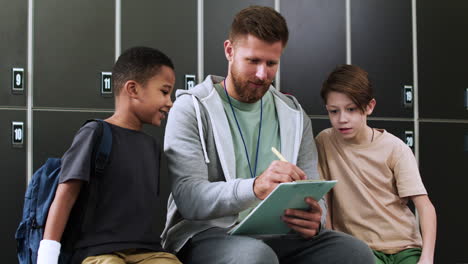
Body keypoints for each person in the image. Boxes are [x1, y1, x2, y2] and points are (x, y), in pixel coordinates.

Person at [161, 6, 374, 264]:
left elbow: (311, 185)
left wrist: (315, 217)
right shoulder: (191, 108)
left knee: (355, 253)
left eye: (271, 63)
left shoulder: (294, 115)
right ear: (229, 51)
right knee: (256, 256)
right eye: (253, 61)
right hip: (207, 233)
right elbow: (189, 198)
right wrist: (254, 187)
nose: (263, 74)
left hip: (276, 233)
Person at [37, 46, 182, 264]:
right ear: (133, 89)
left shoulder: (151, 146)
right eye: (164, 91)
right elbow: (65, 195)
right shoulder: (95, 133)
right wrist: (47, 257)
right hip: (97, 252)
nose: (170, 102)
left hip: (144, 250)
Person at [316, 64, 437, 264]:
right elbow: (325, 198)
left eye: (351, 109)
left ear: (369, 107)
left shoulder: (395, 149)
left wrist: (427, 257)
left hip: (404, 246)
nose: (342, 119)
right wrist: (332, 245)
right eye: (333, 111)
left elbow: (424, 206)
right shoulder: (324, 142)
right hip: (360, 250)